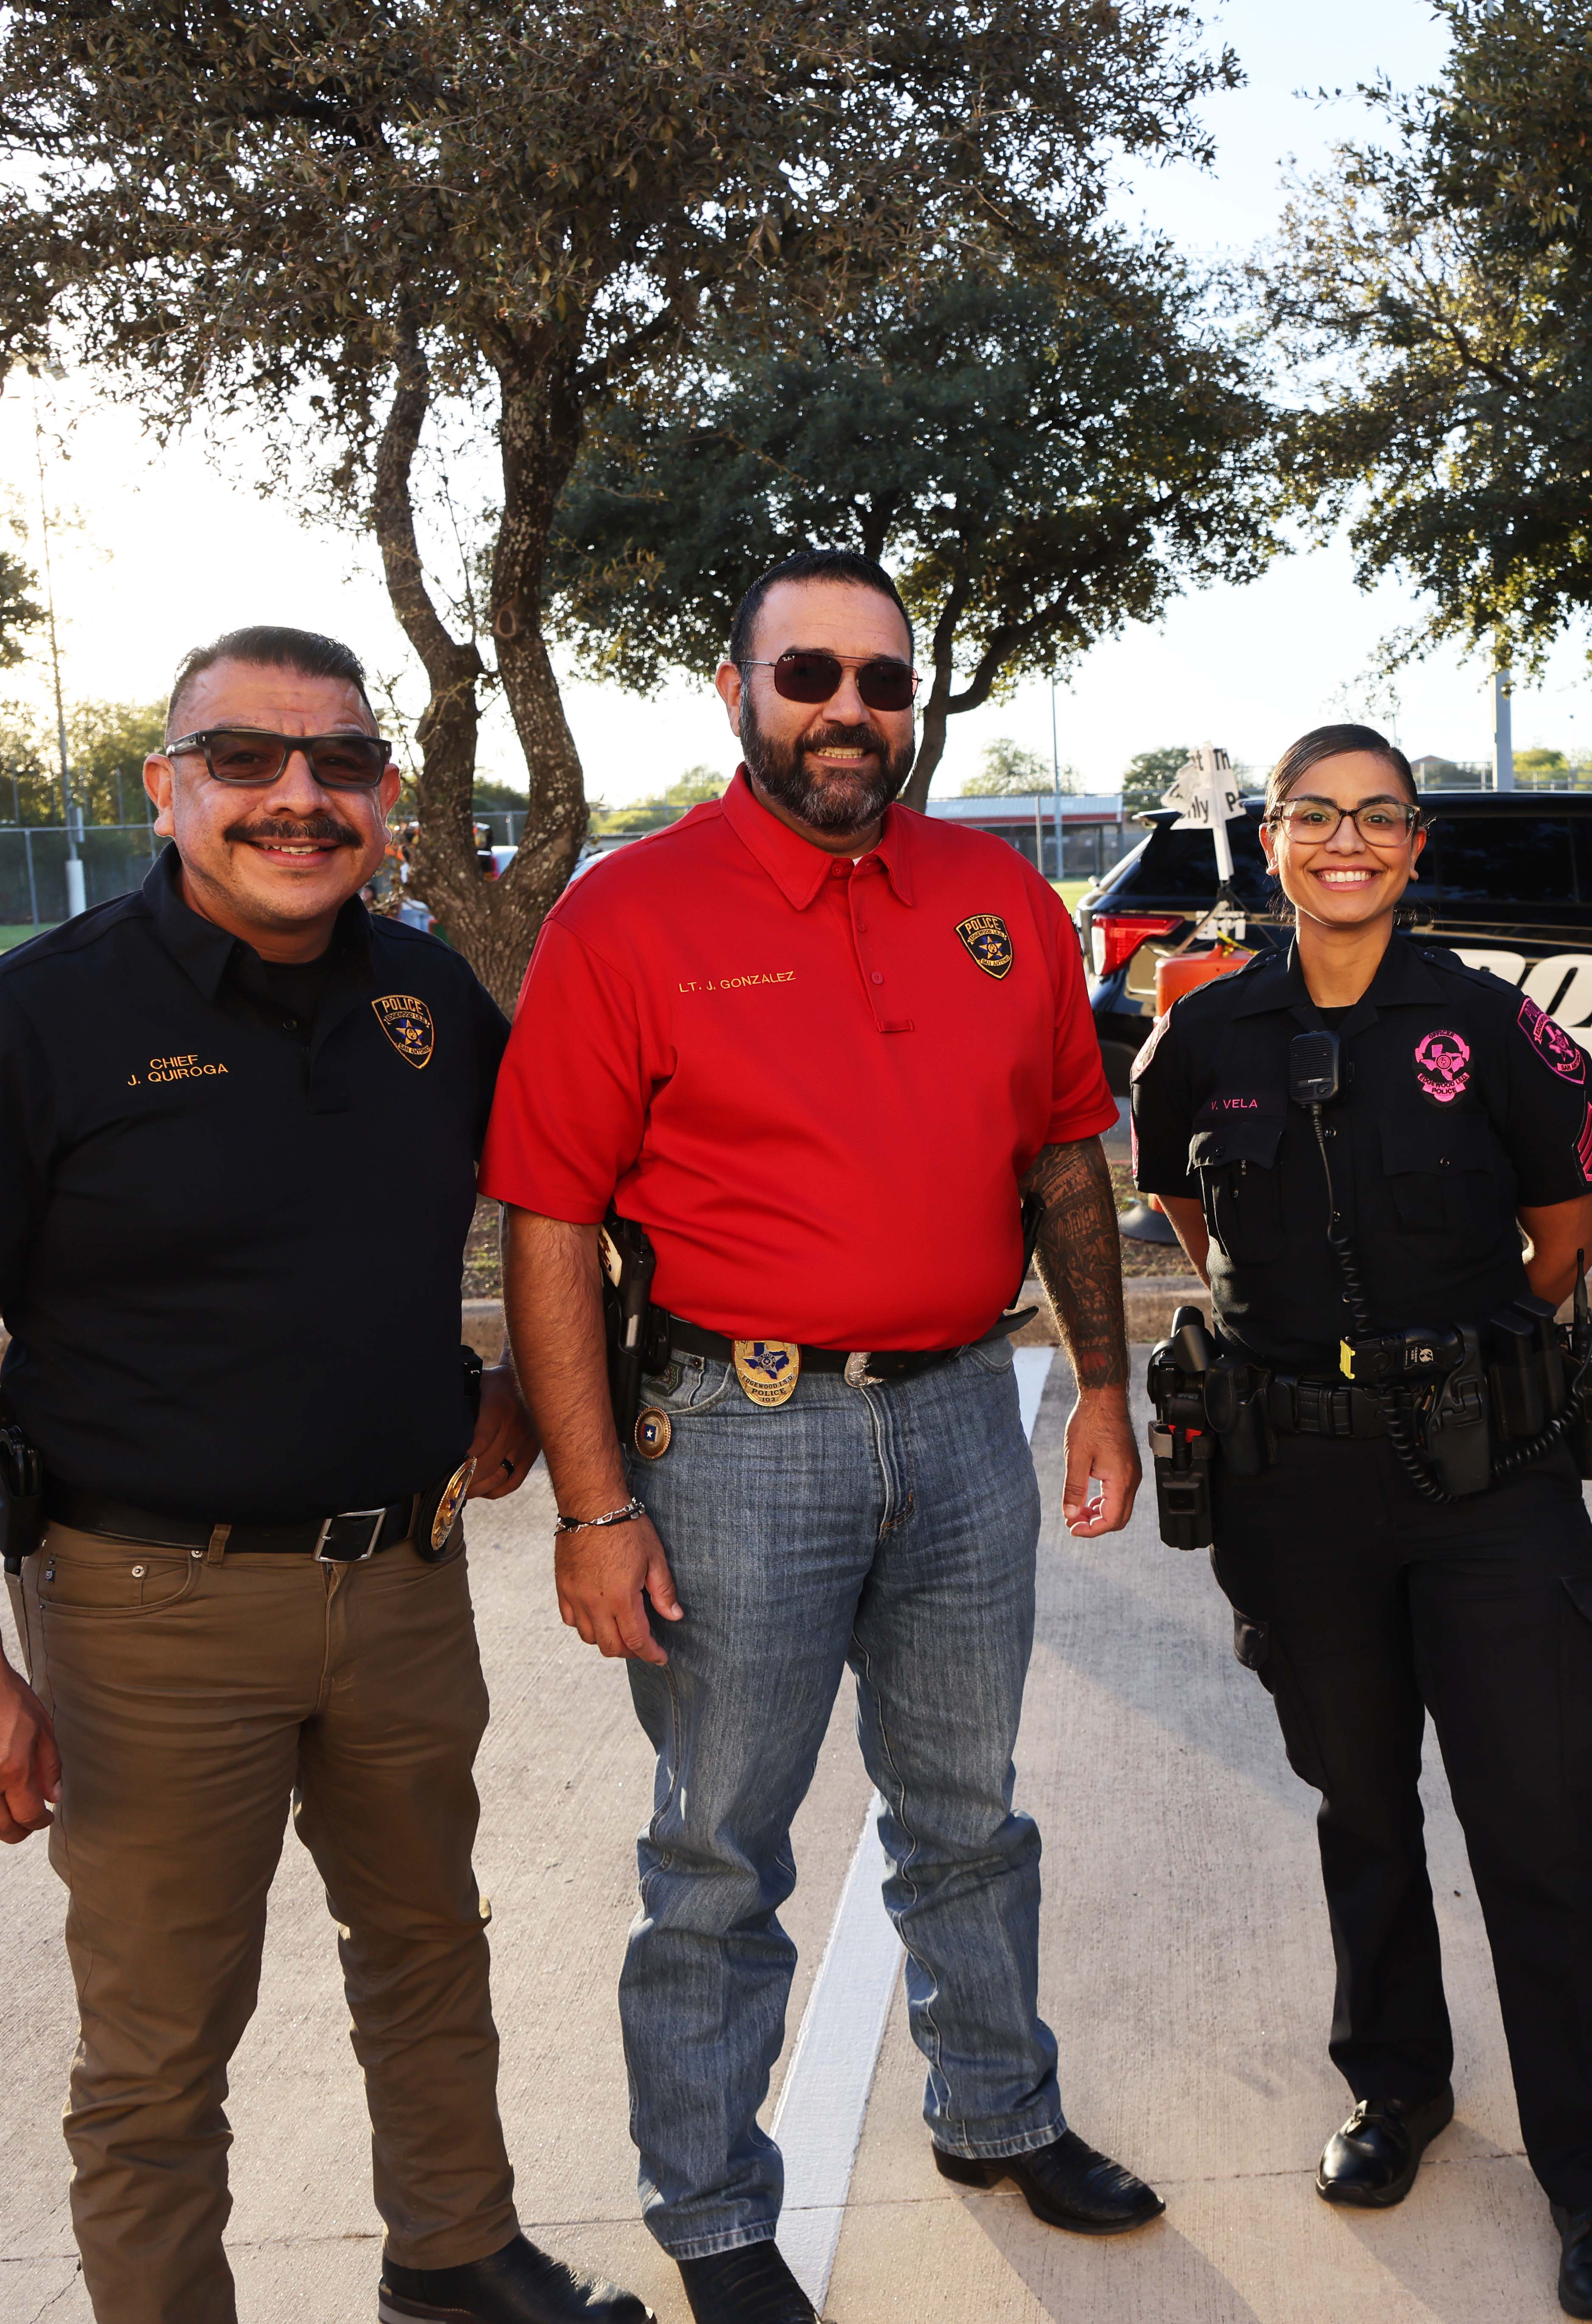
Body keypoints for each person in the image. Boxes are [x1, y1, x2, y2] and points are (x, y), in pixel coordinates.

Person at [0, 626, 653, 2324]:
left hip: (404, 1579)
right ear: (166, 788)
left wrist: (513, 1386)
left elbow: (546, 1213)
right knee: (160, 2039)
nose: (299, 797)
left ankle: (455, 2257)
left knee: (429, 1945)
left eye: (340, 763)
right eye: (247, 759)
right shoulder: (32, 1018)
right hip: (150, 1608)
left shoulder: (427, 1001)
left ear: (387, 797)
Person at [486, 548, 1159, 2324]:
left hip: (963, 1419)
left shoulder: (998, 895)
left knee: (968, 1809)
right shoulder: (629, 915)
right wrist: (593, 1507)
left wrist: (1101, 1382)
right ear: (738, 693)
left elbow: (1063, 1152)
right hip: (734, 1435)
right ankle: (713, 2213)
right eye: (810, 676)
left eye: (882, 679)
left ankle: (997, 2109)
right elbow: (547, 1219)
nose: (849, 711)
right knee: (719, 1852)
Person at [1130, 724, 1592, 2324]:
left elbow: (1561, 1237)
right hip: (1296, 1485)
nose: (1346, 841)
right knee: (1359, 1806)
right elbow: (1192, 1213)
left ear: (1418, 845)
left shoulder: (1497, 1030)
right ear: (1273, 842)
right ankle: (1398, 2084)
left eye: (1378, 817)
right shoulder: (1203, 1035)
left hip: (1488, 1482)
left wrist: (1453, 1374)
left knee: (1540, 1823)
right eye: (1315, 816)